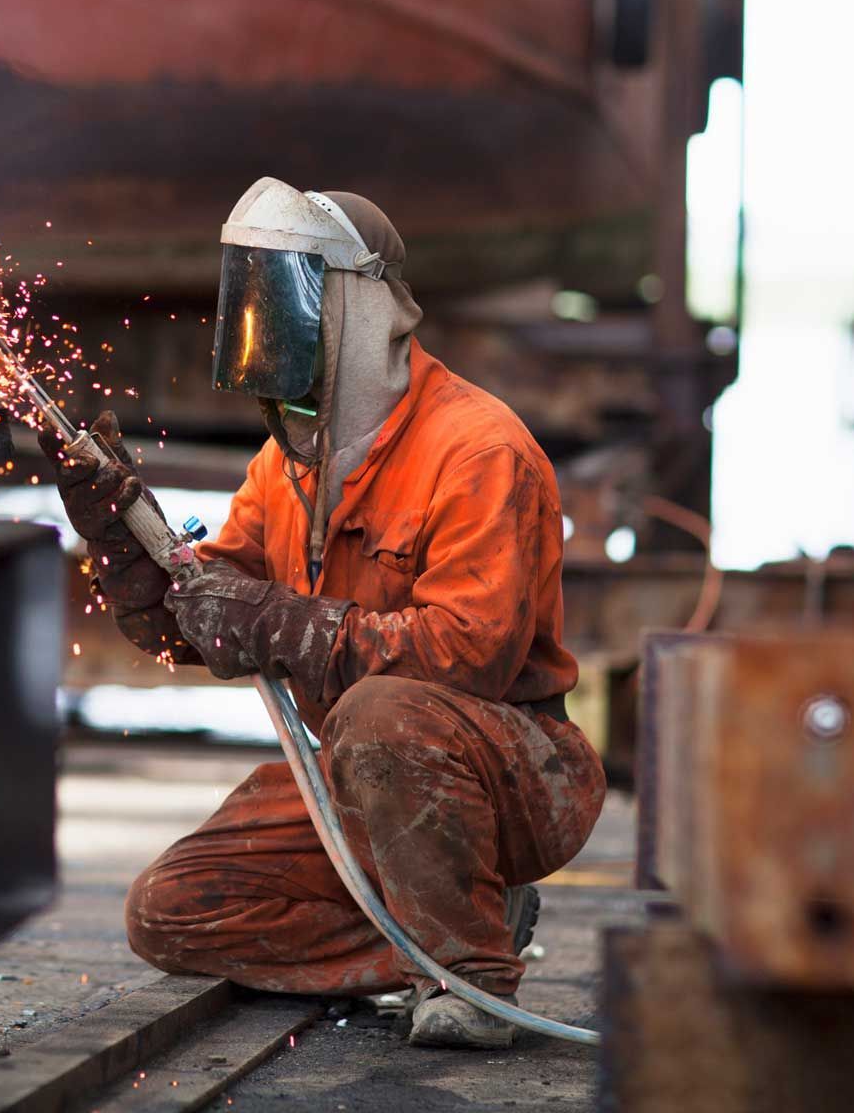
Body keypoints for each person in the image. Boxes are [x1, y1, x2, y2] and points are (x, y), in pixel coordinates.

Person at [39, 178, 605, 1049]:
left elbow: (471, 658)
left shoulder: (480, 449)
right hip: (359, 777)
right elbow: (203, 619)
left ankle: (471, 976)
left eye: (283, 299)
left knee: (383, 712)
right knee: (170, 911)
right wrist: (123, 542)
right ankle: (451, 923)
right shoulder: (285, 465)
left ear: (358, 305)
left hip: (513, 774)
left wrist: (279, 622)